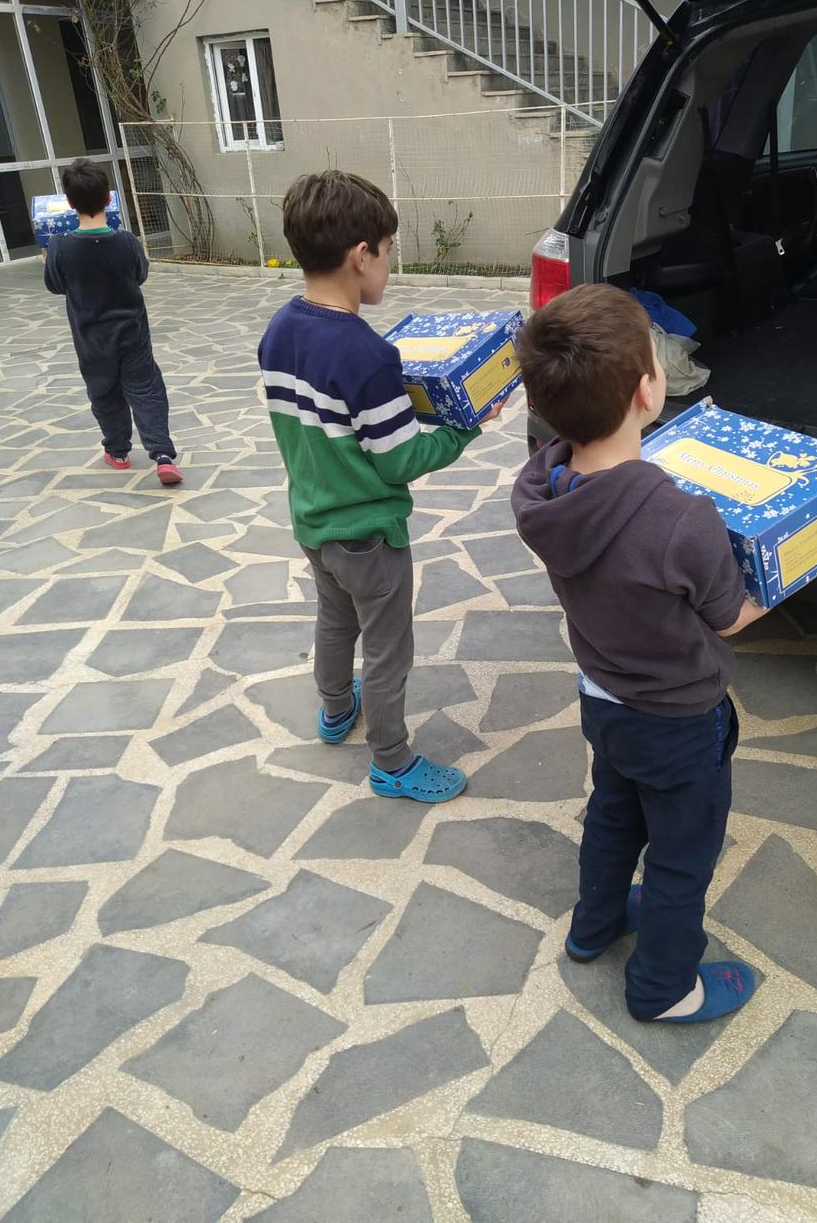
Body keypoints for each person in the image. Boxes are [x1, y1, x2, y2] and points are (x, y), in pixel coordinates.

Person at [512, 285, 764, 1023]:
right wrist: (797, 565)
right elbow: (729, 620)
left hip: (604, 701)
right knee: (682, 857)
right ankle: (663, 989)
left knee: (614, 815)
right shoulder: (682, 520)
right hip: (679, 721)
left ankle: (592, 927)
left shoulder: (544, 486)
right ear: (649, 391)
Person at [258, 170, 498, 802]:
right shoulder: (366, 353)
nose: (390, 265)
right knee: (389, 650)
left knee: (335, 621)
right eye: (389, 251)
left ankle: (336, 709)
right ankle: (391, 761)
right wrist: (467, 425)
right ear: (361, 255)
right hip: (369, 535)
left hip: (314, 522)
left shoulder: (279, 330)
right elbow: (400, 459)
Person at [43, 158, 181, 485]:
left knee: (103, 393)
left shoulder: (60, 246)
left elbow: (55, 285)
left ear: (70, 202)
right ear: (108, 199)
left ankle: (118, 452)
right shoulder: (127, 241)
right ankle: (162, 455)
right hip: (133, 336)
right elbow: (140, 274)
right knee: (146, 390)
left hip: (91, 341)